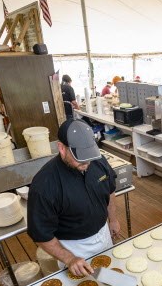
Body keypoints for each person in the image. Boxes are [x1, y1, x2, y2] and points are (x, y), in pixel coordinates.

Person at [27, 118, 120, 277]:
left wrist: (113, 219)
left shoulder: (98, 162)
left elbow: (110, 190)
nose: (87, 163)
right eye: (80, 157)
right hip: (74, 247)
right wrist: (69, 258)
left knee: (110, 279)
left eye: (89, 156)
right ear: (61, 148)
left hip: (104, 234)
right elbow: (40, 234)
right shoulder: (44, 185)